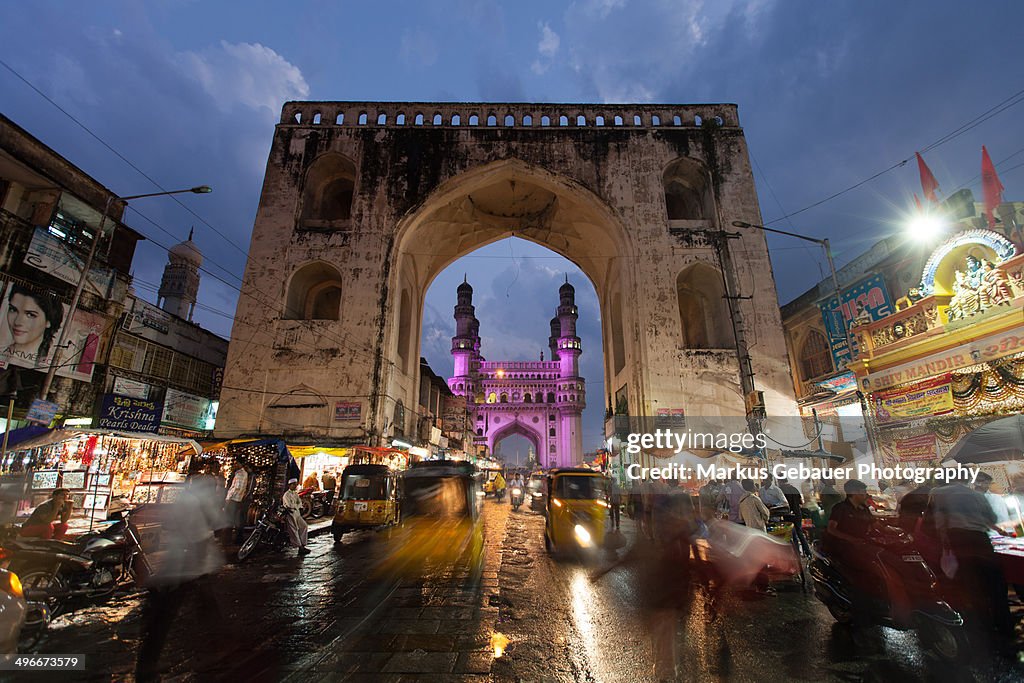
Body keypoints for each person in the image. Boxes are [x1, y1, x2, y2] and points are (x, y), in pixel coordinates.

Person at [135, 474, 228, 682]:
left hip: (184, 567)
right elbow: (201, 537)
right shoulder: (196, 503)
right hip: (184, 569)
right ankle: (149, 666)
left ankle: (214, 650)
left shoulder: (185, 499)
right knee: (168, 617)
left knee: (202, 609)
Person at [930, 474, 1012, 641]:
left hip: (959, 539)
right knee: (996, 586)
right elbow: (991, 518)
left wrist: (944, 540)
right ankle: (1005, 628)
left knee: (972, 586)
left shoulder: (939, 493)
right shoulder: (976, 495)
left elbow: (939, 519)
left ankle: (984, 631)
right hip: (980, 539)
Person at [822, 480, 876, 594]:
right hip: (844, 547)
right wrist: (851, 539)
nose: (865, 494)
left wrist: (893, 530)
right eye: (863, 492)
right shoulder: (840, 508)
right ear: (854, 493)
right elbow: (831, 529)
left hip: (863, 544)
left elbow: (876, 525)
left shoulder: (864, 508)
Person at [1, 285, 64, 369]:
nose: (17, 322)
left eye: (30, 315)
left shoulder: (52, 363)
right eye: (13, 309)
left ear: (48, 321)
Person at [778, 477, 811, 556]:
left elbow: (781, 503)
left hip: (788, 515)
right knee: (799, 533)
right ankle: (808, 552)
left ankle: (796, 553)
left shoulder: (781, 490)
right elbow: (801, 502)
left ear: (780, 481)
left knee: (792, 534)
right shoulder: (794, 489)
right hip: (797, 514)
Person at [223, 464, 252, 544]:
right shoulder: (241, 473)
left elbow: (236, 488)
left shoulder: (241, 474)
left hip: (234, 499)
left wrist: (228, 498)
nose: (234, 464)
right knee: (234, 519)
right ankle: (230, 539)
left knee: (229, 519)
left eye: (235, 463)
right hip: (237, 500)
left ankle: (227, 540)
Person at [282, 478, 310, 555]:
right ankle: (300, 547)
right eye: (293, 484)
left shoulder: (295, 494)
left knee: (304, 526)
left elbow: (299, 502)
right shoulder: (286, 495)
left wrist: (297, 506)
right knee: (293, 530)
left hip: (297, 513)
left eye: (295, 484)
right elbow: (289, 505)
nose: (295, 486)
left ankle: (303, 544)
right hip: (290, 514)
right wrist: (297, 506)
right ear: (290, 485)